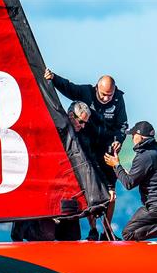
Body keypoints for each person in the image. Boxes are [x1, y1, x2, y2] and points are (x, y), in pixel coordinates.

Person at [44, 68, 128, 240]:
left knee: (111, 193)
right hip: (88, 148)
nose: (106, 99)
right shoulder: (86, 92)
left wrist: (119, 140)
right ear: (97, 87)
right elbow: (68, 87)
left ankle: (107, 232)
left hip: (107, 148)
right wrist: (52, 78)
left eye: (109, 95)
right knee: (92, 191)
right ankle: (93, 229)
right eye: (104, 94)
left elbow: (123, 126)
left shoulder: (118, 99)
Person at [11, 101, 92, 242]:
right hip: (47, 193)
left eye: (85, 123)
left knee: (72, 237)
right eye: (80, 121)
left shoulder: (82, 138)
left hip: (69, 195)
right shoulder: (54, 130)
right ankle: (20, 227)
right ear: (71, 115)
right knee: (44, 235)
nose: (83, 126)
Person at [104, 121, 157, 242]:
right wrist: (119, 166)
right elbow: (137, 177)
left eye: (133, 135)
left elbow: (128, 183)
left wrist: (116, 165)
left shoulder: (144, 156)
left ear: (140, 137)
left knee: (128, 233)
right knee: (135, 228)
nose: (132, 138)